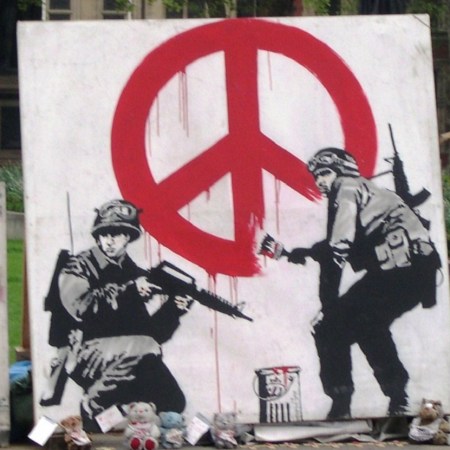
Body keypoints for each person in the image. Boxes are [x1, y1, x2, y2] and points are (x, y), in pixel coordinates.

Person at [266, 148, 441, 420]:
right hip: (412, 271)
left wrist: (328, 307)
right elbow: (335, 245)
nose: (320, 181)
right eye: (316, 176)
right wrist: (294, 253)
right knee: (366, 323)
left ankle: (343, 404)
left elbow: (337, 250)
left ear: (341, 170)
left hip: (401, 270)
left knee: (331, 326)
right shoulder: (368, 192)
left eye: (325, 173)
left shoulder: (345, 188)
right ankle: (397, 397)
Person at [40, 199, 193, 430]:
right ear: (97, 236)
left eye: (118, 233)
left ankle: (107, 416)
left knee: (173, 401)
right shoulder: (79, 266)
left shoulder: (134, 273)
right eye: (104, 233)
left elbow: (151, 334)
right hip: (84, 353)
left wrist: (174, 309)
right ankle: (93, 405)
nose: (109, 240)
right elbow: (81, 308)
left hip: (127, 357)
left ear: (129, 237)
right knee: (146, 348)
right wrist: (131, 292)